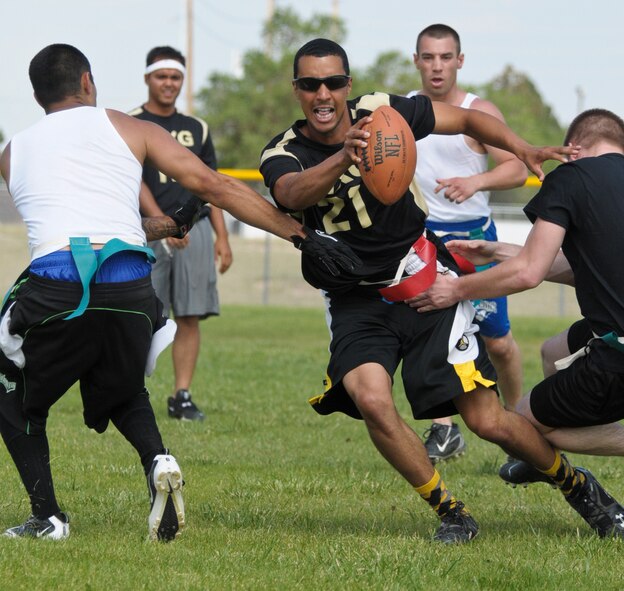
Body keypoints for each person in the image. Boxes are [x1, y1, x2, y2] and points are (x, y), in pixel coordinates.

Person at [259, 37, 624, 543]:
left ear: (348, 84)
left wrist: (519, 146)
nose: (323, 94)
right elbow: (289, 193)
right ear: (296, 90)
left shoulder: (381, 111)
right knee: (370, 398)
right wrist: (345, 156)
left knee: (488, 421)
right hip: (356, 298)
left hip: (422, 276)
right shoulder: (283, 151)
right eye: (309, 84)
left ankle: (578, 486)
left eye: (334, 82)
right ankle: (451, 510)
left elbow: (469, 120)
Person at [0, 43, 359, 541]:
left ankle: (48, 517)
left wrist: (165, 223)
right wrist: (302, 236)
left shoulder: (13, 150)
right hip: (130, 287)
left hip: (58, 287)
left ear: (38, 95)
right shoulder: (133, 129)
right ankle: (158, 460)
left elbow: (75, 232)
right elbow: (217, 188)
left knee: (11, 393)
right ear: (87, 81)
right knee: (123, 386)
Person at [409, 109, 624, 519]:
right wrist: (495, 252)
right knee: (553, 349)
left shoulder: (571, 177)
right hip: (611, 334)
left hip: (618, 357)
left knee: (518, 427)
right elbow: (571, 267)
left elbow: (529, 272)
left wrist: (455, 287)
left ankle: (541, 444)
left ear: (572, 150)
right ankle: (542, 452)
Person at [408, 24, 526, 463]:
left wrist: (475, 180)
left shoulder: (480, 110)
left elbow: (516, 168)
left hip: (476, 237)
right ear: (417, 61)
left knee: (496, 341)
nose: (436, 66)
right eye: (428, 57)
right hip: (424, 238)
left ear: (460, 60)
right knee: (432, 334)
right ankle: (444, 430)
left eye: (445, 57)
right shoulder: (405, 111)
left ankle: (519, 422)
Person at [130, 46, 232, 422]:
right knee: (141, 314)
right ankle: (129, 391)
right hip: (146, 233)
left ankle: (182, 396)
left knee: (190, 315)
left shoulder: (196, 127)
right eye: (161, 76)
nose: (169, 84)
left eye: (175, 77)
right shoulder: (131, 122)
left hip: (197, 231)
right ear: (147, 78)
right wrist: (162, 221)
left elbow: (212, 185)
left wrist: (222, 237)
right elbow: (133, 178)